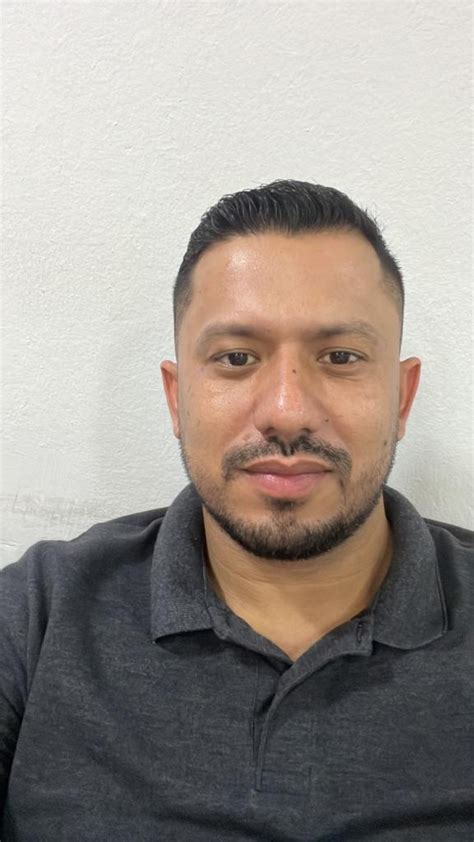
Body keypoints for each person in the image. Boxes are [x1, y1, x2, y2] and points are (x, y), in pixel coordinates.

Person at [1, 180, 473, 841]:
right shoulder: (36, 615)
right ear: (177, 399)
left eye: (340, 357)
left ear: (401, 396)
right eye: (237, 358)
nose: (287, 411)